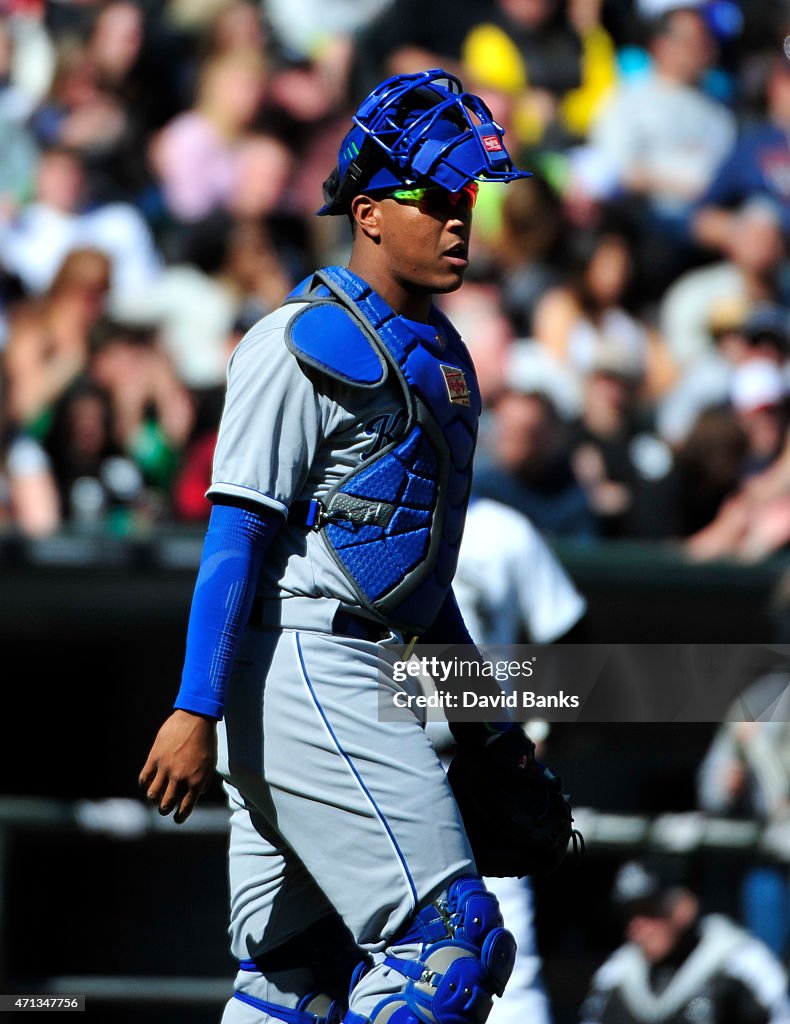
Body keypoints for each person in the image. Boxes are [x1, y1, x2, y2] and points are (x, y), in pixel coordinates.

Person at [139, 68, 536, 1024]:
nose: (458, 220)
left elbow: (419, 577)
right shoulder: (297, 341)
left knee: (296, 981)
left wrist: (489, 729)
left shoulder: (442, 353)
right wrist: (194, 709)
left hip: (366, 669)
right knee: (449, 951)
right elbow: (234, 537)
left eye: (467, 199)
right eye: (435, 198)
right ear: (367, 211)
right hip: (305, 666)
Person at [579, 859, 790, 1024]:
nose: (637, 930)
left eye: (649, 912)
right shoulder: (616, 976)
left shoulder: (738, 961)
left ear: (684, 907)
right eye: (630, 916)